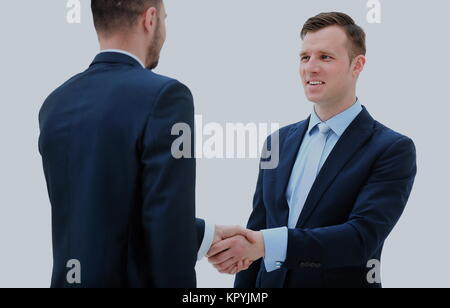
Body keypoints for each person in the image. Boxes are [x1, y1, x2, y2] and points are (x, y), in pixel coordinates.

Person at [38, 0, 249, 288]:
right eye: (164, 17)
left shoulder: (55, 103)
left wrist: (205, 235)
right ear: (150, 19)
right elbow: (165, 225)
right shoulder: (166, 96)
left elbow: (102, 211)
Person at [207, 12, 417, 288]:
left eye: (325, 57)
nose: (311, 68)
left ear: (358, 65)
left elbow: (360, 239)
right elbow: (258, 229)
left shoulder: (391, 149)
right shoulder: (278, 142)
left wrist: (267, 244)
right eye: (305, 57)